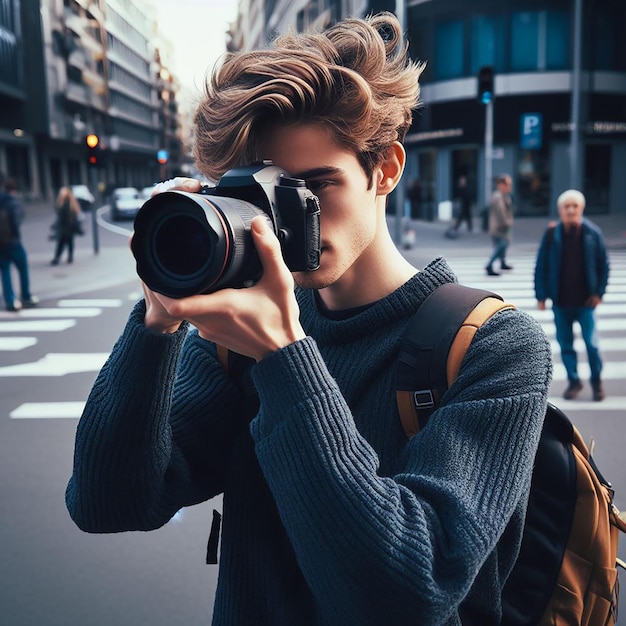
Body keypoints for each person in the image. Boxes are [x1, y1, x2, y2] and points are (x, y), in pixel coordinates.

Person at [66, 14, 552, 625]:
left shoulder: (493, 347)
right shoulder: (244, 334)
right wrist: (155, 326)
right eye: (270, 196)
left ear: (387, 169)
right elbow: (107, 503)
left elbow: (404, 594)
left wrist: (284, 358)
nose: (298, 218)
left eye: (319, 186)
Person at [534, 189, 609, 402]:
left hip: (586, 302)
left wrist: (598, 293)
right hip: (561, 301)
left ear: (581, 209)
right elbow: (541, 266)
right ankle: (574, 381)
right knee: (566, 346)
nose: (571, 210)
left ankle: (596, 381)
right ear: (560, 210)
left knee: (592, 344)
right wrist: (541, 296)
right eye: (567, 206)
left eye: (575, 206)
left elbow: (604, 265)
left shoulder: (592, 233)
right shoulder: (551, 234)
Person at [0, 174, 38, 312]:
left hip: (0, 243)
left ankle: (10, 301)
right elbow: (16, 221)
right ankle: (26, 295)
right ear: (14, 190)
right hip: (13, 241)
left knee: (5, 270)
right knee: (22, 267)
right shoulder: (12, 201)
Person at [484, 173, 514, 276]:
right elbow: (501, 213)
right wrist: (508, 222)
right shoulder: (498, 197)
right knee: (501, 245)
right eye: (508, 184)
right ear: (501, 185)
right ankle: (489, 265)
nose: (510, 187)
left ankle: (502, 263)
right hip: (498, 228)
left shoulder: (504, 196)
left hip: (502, 227)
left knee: (504, 245)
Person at [51, 186, 83, 265]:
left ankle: (57, 258)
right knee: (70, 242)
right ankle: (70, 257)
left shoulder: (64, 204)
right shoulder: (72, 203)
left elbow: (62, 217)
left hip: (65, 228)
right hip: (70, 228)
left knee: (61, 243)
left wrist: (56, 225)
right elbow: (76, 215)